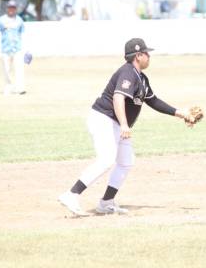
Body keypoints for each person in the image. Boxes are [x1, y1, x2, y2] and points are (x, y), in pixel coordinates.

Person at [58, 38, 198, 216]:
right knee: (106, 159)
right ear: (138, 56)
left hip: (115, 123)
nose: (149, 56)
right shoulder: (128, 73)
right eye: (147, 53)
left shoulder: (141, 78)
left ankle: (106, 202)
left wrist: (181, 113)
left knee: (126, 161)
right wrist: (124, 124)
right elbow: (118, 98)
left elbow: (153, 101)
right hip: (104, 119)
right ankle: (71, 194)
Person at [0, 0, 26, 95]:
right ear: (7, 9)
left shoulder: (19, 20)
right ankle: (8, 88)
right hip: (5, 49)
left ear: (15, 9)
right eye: (10, 8)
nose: (11, 10)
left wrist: (25, 48)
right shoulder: (1, 20)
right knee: (7, 70)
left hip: (17, 48)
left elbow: (22, 34)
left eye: (13, 8)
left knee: (19, 69)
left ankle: (19, 88)